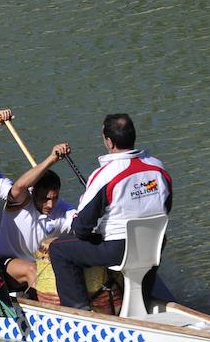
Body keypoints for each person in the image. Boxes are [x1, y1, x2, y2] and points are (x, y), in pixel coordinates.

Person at [49, 114, 172, 310]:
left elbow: (81, 228)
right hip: (154, 245)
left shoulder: (104, 174)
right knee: (145, 241)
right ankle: (143, 300)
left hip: (118, 250)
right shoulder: (158, 167)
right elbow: (165, 208)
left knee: (59, 249)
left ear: (109, 141)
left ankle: (78, 312)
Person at [0, 143, 77, 303]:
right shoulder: (20, 203)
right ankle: (54, 316)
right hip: (2, 266)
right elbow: (19, 185)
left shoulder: (62, 209)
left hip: (37, 264)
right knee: (33, 270)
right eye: (44, 198)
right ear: (33, 191)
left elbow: (82, 225)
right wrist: (52, 158)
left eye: (54, 198)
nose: (50, 205)